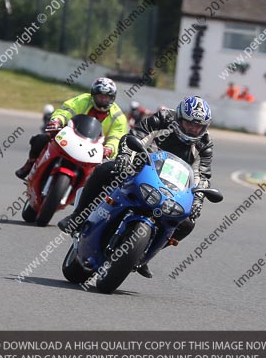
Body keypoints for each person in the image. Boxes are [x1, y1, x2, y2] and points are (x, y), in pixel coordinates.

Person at [57, 96, 213, 278]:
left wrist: (198, 200)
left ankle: (144, 255)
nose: (194, 129)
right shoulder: (163, 119)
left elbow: (202, 175)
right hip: (141, 169)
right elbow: (136, 135)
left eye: (199, 126)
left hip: (173, 188)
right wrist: (125, 156)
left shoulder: (204, 143)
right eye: (189, 124)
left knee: (187, 223)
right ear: (179, 118)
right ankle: (77, 217)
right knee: (104, 170)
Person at [15, 77, 128, 179]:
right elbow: (66, 111)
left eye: (107, 97)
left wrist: (109, 148)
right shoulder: (83, 100)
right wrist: (57, 120)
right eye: (100, 96)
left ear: (113, 98)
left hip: (95, 152)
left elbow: (116, 137)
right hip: (71, 138)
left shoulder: (118, 117)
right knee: (41, 139)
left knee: (106, 173)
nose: (103, 100)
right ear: (93, 95)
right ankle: (29, 164)